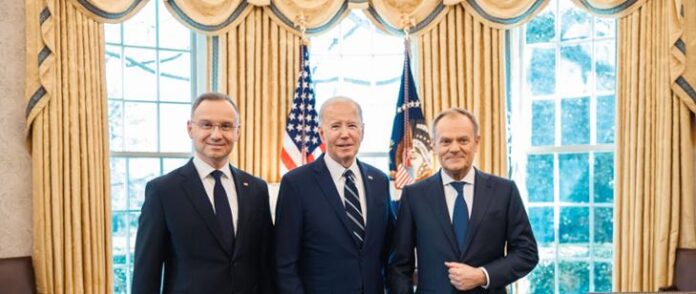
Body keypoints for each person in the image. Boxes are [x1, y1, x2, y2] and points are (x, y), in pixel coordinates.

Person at [132, 92, 274, 294]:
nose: (216, 135)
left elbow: (266, 263)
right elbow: (146, 274)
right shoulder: (163, 192)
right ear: (190, 129)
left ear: (237, 132)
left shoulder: (257, 189)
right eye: (206, 125)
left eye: (226, 126)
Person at [388, 108, 538, 293]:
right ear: (434, 146)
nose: (454, 148)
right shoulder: (414, 195)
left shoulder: (504, 191)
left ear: (476, 143)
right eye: (445, 141)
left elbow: (527, 253)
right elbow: (399, 266)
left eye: (463, 140)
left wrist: (483, 275)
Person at [275, 96, 394, 293]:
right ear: (322, 133)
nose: (345, 134)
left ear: (362, 131)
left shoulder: (379, 181)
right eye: (336, 126)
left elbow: (388, 249)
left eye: (352, 125)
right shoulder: (296, 184)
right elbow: (284, 262)